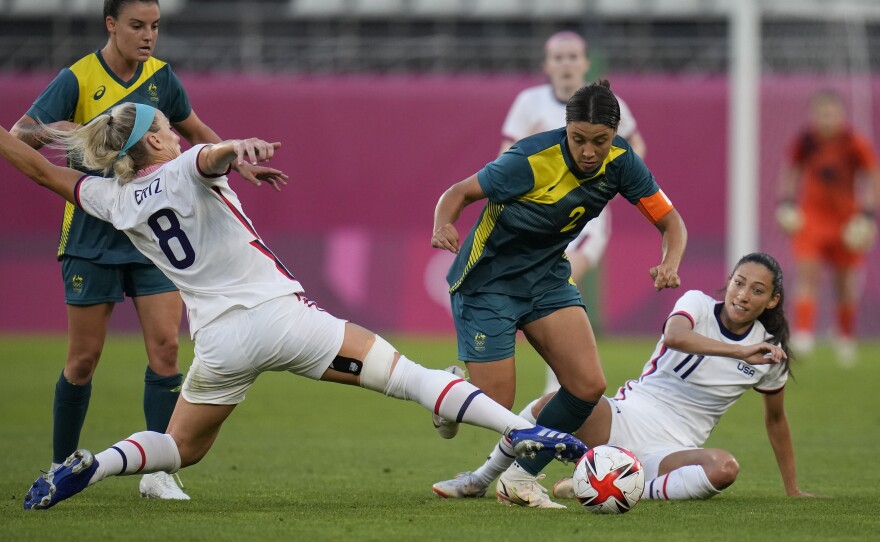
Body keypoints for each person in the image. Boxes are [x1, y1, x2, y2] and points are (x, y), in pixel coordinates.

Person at [0, 103, 588, 510]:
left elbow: (36, 168)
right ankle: (534, 433)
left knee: (182, 449)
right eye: (166, 129)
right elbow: (210, 158)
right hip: (280, 318)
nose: (176, 134)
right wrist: (235, 146)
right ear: (154, 140)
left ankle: (93, 465)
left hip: (219, 342)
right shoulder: (184, 163)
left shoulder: (113, 197)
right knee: (411, 377)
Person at [10, 0, 275, 499]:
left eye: (154, 26)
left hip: (152, 234)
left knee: (167, 349)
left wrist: (239, 161)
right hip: (93, 231)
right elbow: (24, 131)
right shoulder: (80, 78)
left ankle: (157, 471)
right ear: (111, 25)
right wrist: (84, 135)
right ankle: (59, 464)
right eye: (137, 25)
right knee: (83, 360)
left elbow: (194, 130)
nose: (148, 36)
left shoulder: (161, 77)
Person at [430, 80, 687, 508]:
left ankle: (519, 478)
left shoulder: (623, 162)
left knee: (587, 386)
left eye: (600, 141)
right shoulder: (529, 160)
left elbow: (671, 223)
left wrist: (670, 262)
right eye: (579, 139)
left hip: (548, 278)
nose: (589, 151)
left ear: (614, 134)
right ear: (565, 129)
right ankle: (446, 392)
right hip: (488, 282)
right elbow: (458, 193)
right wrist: (444, 224)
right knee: (494, 403)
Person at [433, 252, 821, 505]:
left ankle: (614, 483)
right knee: (557, 401)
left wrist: (792, 488)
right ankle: (480, 478)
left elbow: (776, 421)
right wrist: (738, 351)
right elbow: (675, 336)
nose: (743, 295)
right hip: (627, 415)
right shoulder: (699, 304)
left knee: (725, 469)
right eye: (739, 282)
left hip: (673, 448)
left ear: (771, 301)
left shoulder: (770, 354)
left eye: (757, 291)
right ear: (730, 282)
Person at [498, 31, 649, 395]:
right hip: (538, 216)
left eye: (572, 57)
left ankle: (557, 387)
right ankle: (489, 371)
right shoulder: (529, 102)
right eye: (558, 57)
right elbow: (505, 154)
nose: (566, 64)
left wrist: (619, 179)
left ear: (585, 62)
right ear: (547, 65)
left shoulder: (606, 104)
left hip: (588, 219)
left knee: (563, 277)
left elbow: (635, 144)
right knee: (523, 291)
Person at [775, 89, 880, 366]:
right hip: (813, 219)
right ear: (813, 115)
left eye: (832, 113)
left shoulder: (854, 142)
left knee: (845, 283)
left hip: (847, 222)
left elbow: (873, 174)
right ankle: (804, 337)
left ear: (841, 115)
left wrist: (869, 215)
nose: (827, 119)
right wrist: (785, 202)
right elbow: (792, 171)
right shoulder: (806, 141)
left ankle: (845, 339)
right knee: (807, 274)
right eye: (822, 113)